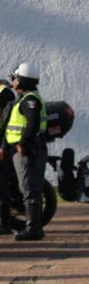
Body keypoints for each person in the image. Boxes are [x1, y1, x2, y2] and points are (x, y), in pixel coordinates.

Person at [2, 64, 49, 241]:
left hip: (29, 150)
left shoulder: (30, 100)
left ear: (22, 79)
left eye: (14, 78)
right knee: (28, 188)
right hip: (28, 148)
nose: (12, 81)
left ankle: (33, 229)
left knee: (30, 189)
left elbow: (32, 124)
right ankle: (34, 228)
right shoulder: (27, 98)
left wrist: (22, 143)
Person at [0, 78, 17, 235]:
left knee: (1, 186)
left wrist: (3, 146)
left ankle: (5, 224)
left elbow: (7, 124)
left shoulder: (5, 93)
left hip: (2, 147)